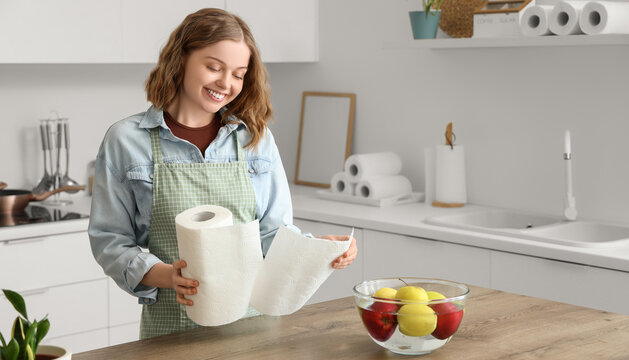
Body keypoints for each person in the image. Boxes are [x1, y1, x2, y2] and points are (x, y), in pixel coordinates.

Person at [88, 8, 357, 339]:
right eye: (214, 67)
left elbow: (273, 233)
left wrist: (317, 247)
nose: (226, 83)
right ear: (181, 59)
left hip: (254, 330)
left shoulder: (254, 139)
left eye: (238, 74)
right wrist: (168, 276)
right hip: (171, 330)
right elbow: (109, 241)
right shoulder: (127, 141)